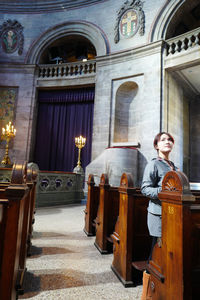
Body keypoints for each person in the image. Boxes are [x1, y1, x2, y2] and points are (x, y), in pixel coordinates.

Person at [140, 132, 178, 300]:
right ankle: (147, 293)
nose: (167, 141)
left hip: (173, 216)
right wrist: (166, 192)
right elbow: (145, 189)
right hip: (157, 216)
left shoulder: (173, 166)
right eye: (163, 140)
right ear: (156, 146)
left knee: (167, 253)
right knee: (156, 252)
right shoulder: (153, 165)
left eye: (170, 139)